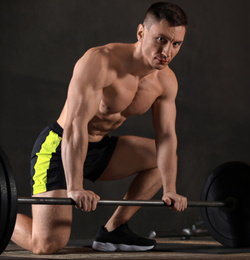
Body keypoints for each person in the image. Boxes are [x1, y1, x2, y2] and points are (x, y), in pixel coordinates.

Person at [11, 2, 188, 255]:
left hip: (99, 147)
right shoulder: (101, 62)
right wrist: (74, 187)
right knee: (47, 245)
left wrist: (170, 188)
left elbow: (167, 138)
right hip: (59, 146)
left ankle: (113, 229)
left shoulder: (166, 81)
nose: (166, 51)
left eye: (175, 44)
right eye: (160, 39)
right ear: (140, 33)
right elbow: (75, 126)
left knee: (157, 159)